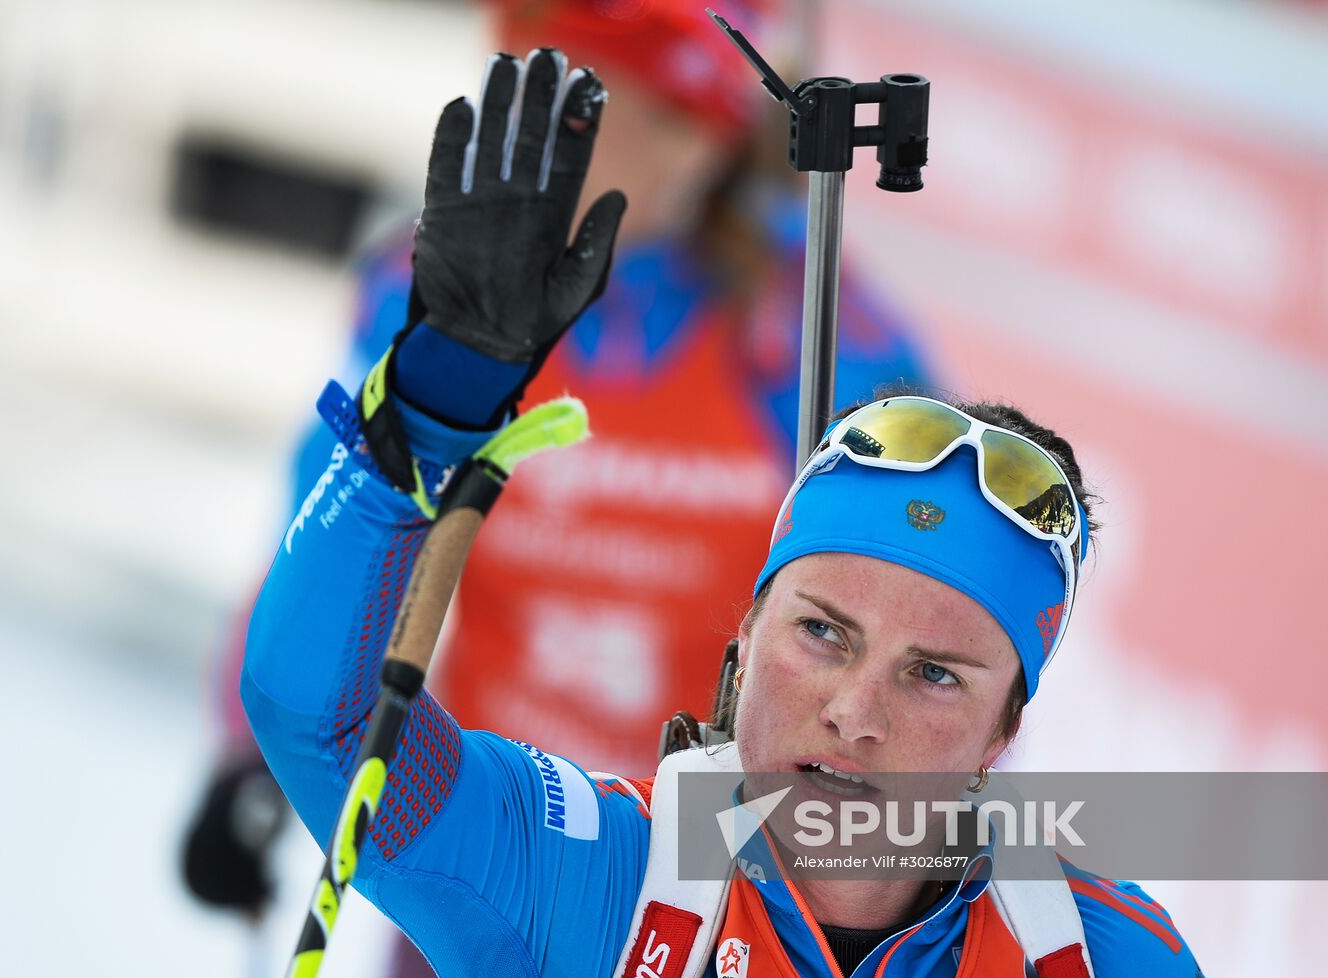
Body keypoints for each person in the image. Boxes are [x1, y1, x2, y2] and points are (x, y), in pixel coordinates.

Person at [242, 46, 1203, 978]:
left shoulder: (1102, 955)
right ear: (744, 636)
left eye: (935, 676)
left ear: (1003, 733)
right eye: (824, 632)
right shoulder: (587, 887)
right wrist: (429, 413)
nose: (853, 714)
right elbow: (325, 725)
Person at [183, 0, 927, 938]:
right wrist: (245, 757)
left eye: (579, 108)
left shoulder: (815, 333)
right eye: (518, 91)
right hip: (495, 835)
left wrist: (918, 883)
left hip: (709, 883)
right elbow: (326, 536)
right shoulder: (448, 292)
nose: (528, 148)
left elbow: (933, 616)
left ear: (692, 139)